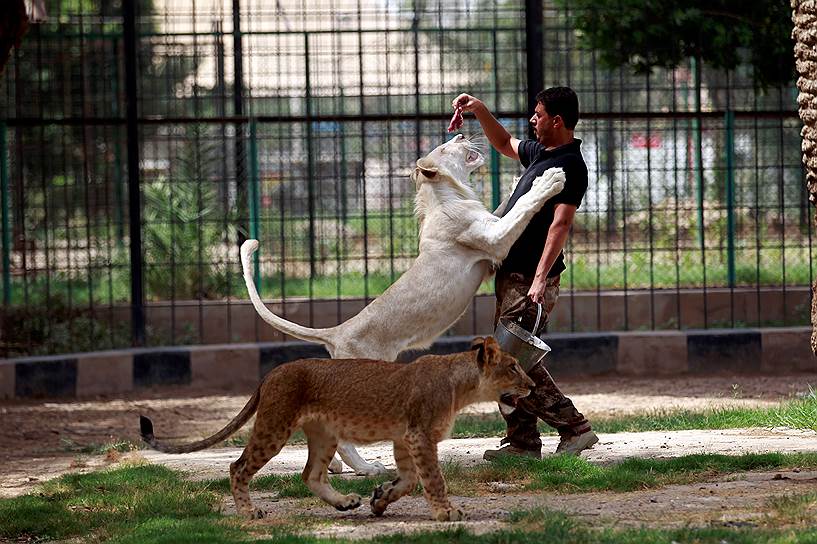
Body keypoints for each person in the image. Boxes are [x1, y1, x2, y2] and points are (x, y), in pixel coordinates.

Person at [451, 87, 599, 459]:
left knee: (508, 361)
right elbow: (503, 142)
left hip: (533, 281)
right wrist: (479, 108)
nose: (532, 120)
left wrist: (538, 278)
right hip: (511, 275)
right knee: (505, 360)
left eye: (538, 114)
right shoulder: (541, 153)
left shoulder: (569, 166)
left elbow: (560, 226)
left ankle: (573, 426)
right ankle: (523, 441)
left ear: (557, 120)